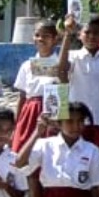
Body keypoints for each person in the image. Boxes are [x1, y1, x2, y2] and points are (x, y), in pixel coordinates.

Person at [58, 16, 99, 152]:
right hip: (76, 121)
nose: (91, 36)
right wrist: (67, 35)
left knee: (98, 160)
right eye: (87, 32)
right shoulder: (72, 56)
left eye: (95, 33)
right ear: (79, 35)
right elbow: (61, 72)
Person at [12, 20, 60, 152]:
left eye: (46, 36)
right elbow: (22, 96)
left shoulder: (62, 64)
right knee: (22, 150)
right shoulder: (26, 65)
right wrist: (17, 123)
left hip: (51, 111)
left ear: (55, 39)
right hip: (30, 112)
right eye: (37, 35)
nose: (41, 39)